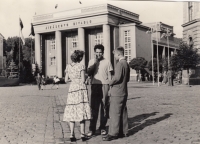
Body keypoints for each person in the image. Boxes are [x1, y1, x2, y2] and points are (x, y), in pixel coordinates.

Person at [63, 50, 92, 142]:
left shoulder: (68, 66)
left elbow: (65, 80)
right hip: (80, 89)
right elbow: (83, 79)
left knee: (72, 111)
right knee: (81, 110)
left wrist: (73, 80)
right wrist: (86, 78)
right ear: (80, 58)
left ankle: (72, 135)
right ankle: (83, 134)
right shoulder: (81, 66)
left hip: (72, 89)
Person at [103, 46, 130, 141]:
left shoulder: (119, 64)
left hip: (117, 92)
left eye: (115, 54)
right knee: (123, 112)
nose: (114, 56)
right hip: (123, 91)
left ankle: (113, 133)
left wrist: (109, 82)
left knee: (114, 113)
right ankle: (123, 131)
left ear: (119, 54)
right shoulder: (126, 63)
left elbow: (117, 78)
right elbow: (127, 79)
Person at [87, 44, 113, 137]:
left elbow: (110, 76)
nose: (98, 54)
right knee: (94, 108)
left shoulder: (107, 62)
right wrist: (94, 63)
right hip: (95, 86)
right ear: (94, 52)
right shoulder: (91, 61)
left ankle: (102, 127)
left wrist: (110, 88)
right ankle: (92, 129)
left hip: (105, 85)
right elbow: (89, 73)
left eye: (100, 52)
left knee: (104, 107)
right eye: (97, 52)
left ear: (103, 52)